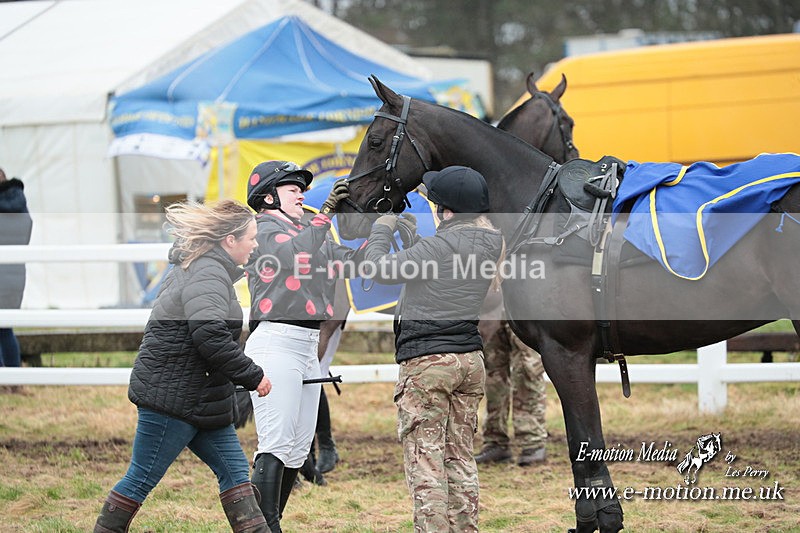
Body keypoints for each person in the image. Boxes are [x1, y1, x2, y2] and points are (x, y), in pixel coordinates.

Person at [94, 199, 272, 533]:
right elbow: (210, 336)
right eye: (251, 237)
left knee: (236, 477)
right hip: (172, 400)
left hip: (201, 397)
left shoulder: (208, 269)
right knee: (140, 478)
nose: (255, 244)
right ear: (229, 240)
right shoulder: (207, 273)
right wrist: (253, 375)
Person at [361, 166, 504, 532]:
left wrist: (382, 229)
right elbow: (435, 277)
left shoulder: (438, 245)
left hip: (427, 362)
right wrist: (412, 244)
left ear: (448, 211)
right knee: (460, 458)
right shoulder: (490, 243)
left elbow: (378, 268)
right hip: (469, 360)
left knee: (426, 462)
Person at [243, 160, 356, 532]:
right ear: (269, 197)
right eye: (294, 190)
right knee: (275, 444)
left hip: (307, 346)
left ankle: (271, 523)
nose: (302, 196)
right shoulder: (262, 228)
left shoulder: (308, 228)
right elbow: (294, 254)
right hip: (275, 342)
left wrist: (384, 234)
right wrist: (325, 215)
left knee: (295, 449)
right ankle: (266, 527)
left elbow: (346, 262)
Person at [474, 308, 548, 466]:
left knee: (527, 372)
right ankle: (495, 442)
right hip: (491, 305)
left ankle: (532, 443)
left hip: (523, 304)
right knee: (493, 375)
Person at [0, 168, 33, 370]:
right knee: (5, 327)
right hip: (15, 277)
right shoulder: (21, 205)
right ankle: (15, 378)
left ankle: (5, 379)